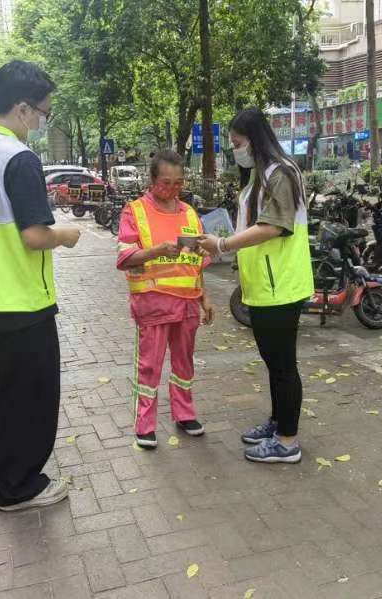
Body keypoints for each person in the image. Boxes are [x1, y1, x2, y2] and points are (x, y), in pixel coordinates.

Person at [0, 60, 81, 511]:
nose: (42, 121)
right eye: (43, 113)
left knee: (5, 387)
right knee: (33, 393)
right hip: (24, 299)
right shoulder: (18, 158)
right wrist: (66, 235)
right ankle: (19, 486)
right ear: (23, 108)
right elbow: (34, 236)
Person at [198, 107, 313, 464]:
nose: (236, 150)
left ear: (255, 139)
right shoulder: (259, 176)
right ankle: (279, 423)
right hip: (264, 285)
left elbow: (274, 227)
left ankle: (287, 441)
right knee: (273, 361)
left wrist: (222, 244)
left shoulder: (281, 173)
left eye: (238, 143)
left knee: (283, 364)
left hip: (282, 286)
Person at [116, 149, 214, 449]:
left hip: (187, 303)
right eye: (165, 183)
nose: (172, 189)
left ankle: (185, 414)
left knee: (184, 363)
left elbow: (196, 261)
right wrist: (157, 250)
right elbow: (125, 257)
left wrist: (205, 297)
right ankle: (145, 424)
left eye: (178, 183)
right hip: (153, 302)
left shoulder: (189, 213)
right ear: (152, 179)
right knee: (149, 365)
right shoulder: (134, 212)